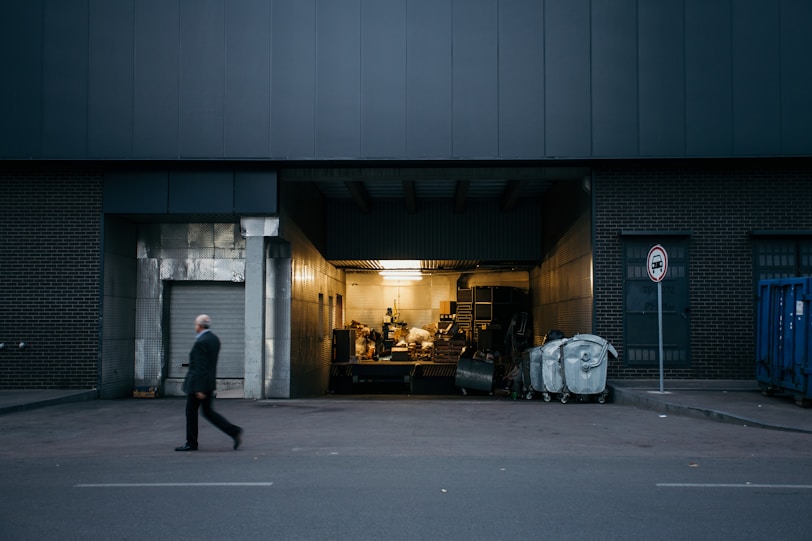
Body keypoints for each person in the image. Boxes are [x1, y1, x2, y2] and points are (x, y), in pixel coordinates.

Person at [175, 314, 243, 451]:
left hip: (197, 385)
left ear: (199, 326)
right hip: (208, 382)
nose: (195, 327)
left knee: (191, 412)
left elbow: (200, 366)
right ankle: (233, 431)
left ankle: (191, 443)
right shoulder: (214, 339)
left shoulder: (201, 342)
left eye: (195, 325)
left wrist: (198, 389)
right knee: (208, 412)